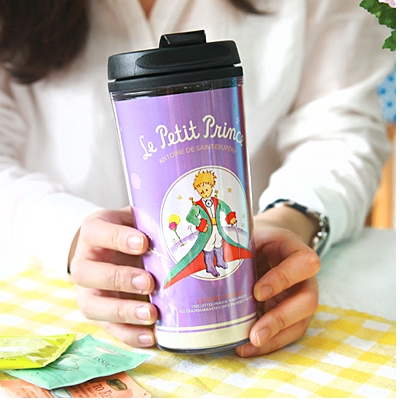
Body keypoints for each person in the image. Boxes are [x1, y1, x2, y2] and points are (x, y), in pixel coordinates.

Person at [0, 0, 394, 358]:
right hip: (58, 300)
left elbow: (340, 130)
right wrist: (71, 236)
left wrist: (289, 219)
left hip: (254, 297)